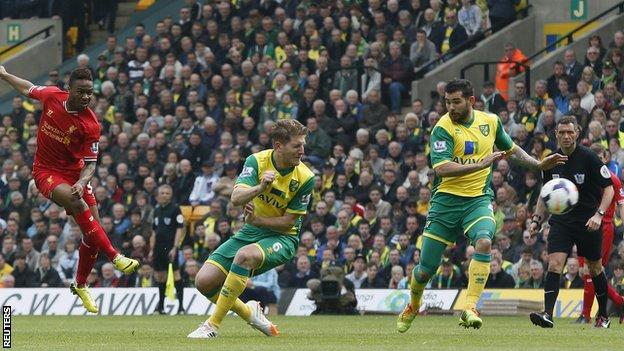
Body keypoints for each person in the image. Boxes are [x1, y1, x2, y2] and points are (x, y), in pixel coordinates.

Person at [396, 79, 565, 332]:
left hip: (477, 200)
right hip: (445, 203)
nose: (451, 107)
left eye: (456, 102)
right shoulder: (442, 128)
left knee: (485, 242)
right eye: (447, 102)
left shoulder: (491, 122)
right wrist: (479, 164)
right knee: (424, 271)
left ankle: (470, 307)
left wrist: (538, 164)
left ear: (471, 101)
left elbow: (511, 149)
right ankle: (413, 304)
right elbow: (442, 167)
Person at [0, 65, 139, 313]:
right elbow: (27, 87)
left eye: (90, 92)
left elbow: (90, 165)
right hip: (46, 172)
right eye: (82, 92)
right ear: (69, 89)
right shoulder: (52, 96)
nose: (87, 97)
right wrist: (4, 74)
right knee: (78, 204)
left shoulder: (91, 125)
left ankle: (80, 284)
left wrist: (82, 182)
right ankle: (116, 257)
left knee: (92, 235)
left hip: (77, 175)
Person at [187, 119, 314, 338]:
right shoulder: (256, 161)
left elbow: (288, 223)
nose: (302, 151)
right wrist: (261, 187)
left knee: (244, 256)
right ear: (279, 146)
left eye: (303, 145)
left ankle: (212, 326)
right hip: (251, 232)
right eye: (297, 146)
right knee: (204, 282)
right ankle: (249, 312)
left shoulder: (305, 178)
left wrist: (256, 221)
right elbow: (236, 198)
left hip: (283, 238)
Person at [529, 116, 614, 329]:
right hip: (562, 222)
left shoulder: (589, 158)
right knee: (555, 264)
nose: (566, 136)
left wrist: (599, 215)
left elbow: (609, 188)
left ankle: (603, 315)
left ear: (577, 133)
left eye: (570, 132)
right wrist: (536, 220)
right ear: (556, 135)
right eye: (562, 133)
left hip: (588, 222)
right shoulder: (549, 161)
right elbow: (545, 194)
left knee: (594, 270)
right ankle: (547, 314)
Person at [575, 143, 624, 324]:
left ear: (606, 158)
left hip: (604, 227)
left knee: (592, 271)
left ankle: (586, 315)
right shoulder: (583, 179)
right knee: (584, 271)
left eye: (601, 159)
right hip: (582, 226)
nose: (599, 163)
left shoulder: (613, 180)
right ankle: (619, 302)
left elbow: (621, 204)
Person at [149, 184, 185, 315]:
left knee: (176, 273)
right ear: (158, 196)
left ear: (171, 195)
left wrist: (175, 247)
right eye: (162, 193)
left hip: (170, 246)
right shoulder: (157, 210)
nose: (164, 195)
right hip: (158, 247)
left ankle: (181, 307)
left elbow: (179, 229)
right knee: (160, 276)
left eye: (167, 193)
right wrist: (152, 249)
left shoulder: (175, 209)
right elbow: (153, 231)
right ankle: (161, 307)